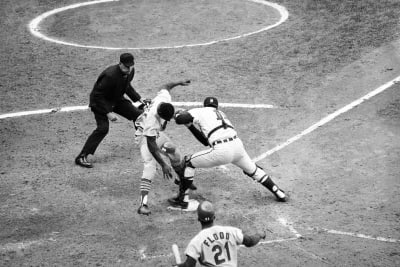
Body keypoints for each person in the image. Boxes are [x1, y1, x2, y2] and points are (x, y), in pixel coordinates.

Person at [169, 96, 287, 209]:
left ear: (205, 105)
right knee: (254, 170)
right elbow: (206, 142)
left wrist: (179, 114)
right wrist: (190, 125)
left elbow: (180, 119)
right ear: (216, 106)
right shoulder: (222, 115)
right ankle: (278, 192)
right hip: (238, 147)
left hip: (222, 150)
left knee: (188, 162)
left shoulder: (201, 111)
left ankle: (182, 200)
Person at [75, 53, 147, 168]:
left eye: (130, 66)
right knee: (103, 128)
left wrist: (138, 99)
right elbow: (97, 95)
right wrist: (108, 112)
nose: (128, 69)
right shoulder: (110, 75)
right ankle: (82, 156)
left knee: (138, 116)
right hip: (100, 103)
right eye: (126, 66)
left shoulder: (128, 71)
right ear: (120, 64)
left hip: (116, 99)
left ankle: (145, 142)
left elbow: (127, 86)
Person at [134, 79, 192, 215]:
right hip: (144, 137)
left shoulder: (164, 99)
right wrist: (163, 164)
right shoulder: (152, 122)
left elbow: (165, 85)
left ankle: (181, 181)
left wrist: (179, 82)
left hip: (157, 134)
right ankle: (143, 205)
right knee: (150, 166)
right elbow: (152, 145)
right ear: (160, 115)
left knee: (173, 151)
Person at [173, 200, 266, 267]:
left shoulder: (197, 241)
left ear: (198, 219)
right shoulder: (231, 231)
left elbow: (189, 265)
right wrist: (260, 235)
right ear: (214, 217)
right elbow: (250, 241)